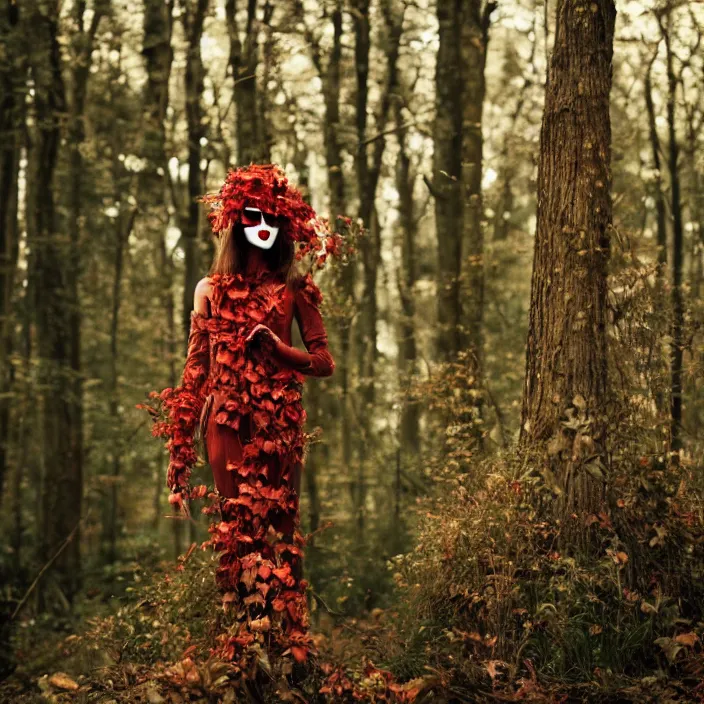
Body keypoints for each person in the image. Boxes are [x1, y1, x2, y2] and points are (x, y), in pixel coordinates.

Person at [146, 163, 339, 668]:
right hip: (226, 423)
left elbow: (323, 362)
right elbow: (194, 374)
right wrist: (177, 460)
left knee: (281, 529)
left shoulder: (295, 290)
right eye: (252, 216)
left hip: (280, 428)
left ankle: (294, 650)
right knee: (238, 533)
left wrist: (279, 349)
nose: (261, 226)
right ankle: (243, 654)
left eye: (270, 218)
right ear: (237, 220)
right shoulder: (209, 289)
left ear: (284, 226)